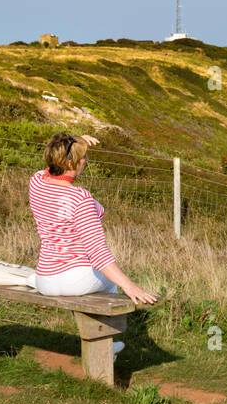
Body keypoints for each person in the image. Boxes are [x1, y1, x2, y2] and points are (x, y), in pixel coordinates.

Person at [29, 132, 158, 312]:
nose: (86, 160)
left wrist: (75, 143)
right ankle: (107, 337)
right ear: (69, 163)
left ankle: (106, 337)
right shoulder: (79, 199)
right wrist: (130, 286)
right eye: (83, 157)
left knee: (105, 276)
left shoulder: (37, 181)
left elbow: (50, 167)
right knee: (110, 280)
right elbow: (98, 253)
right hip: (73, 280)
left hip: (44, 278)